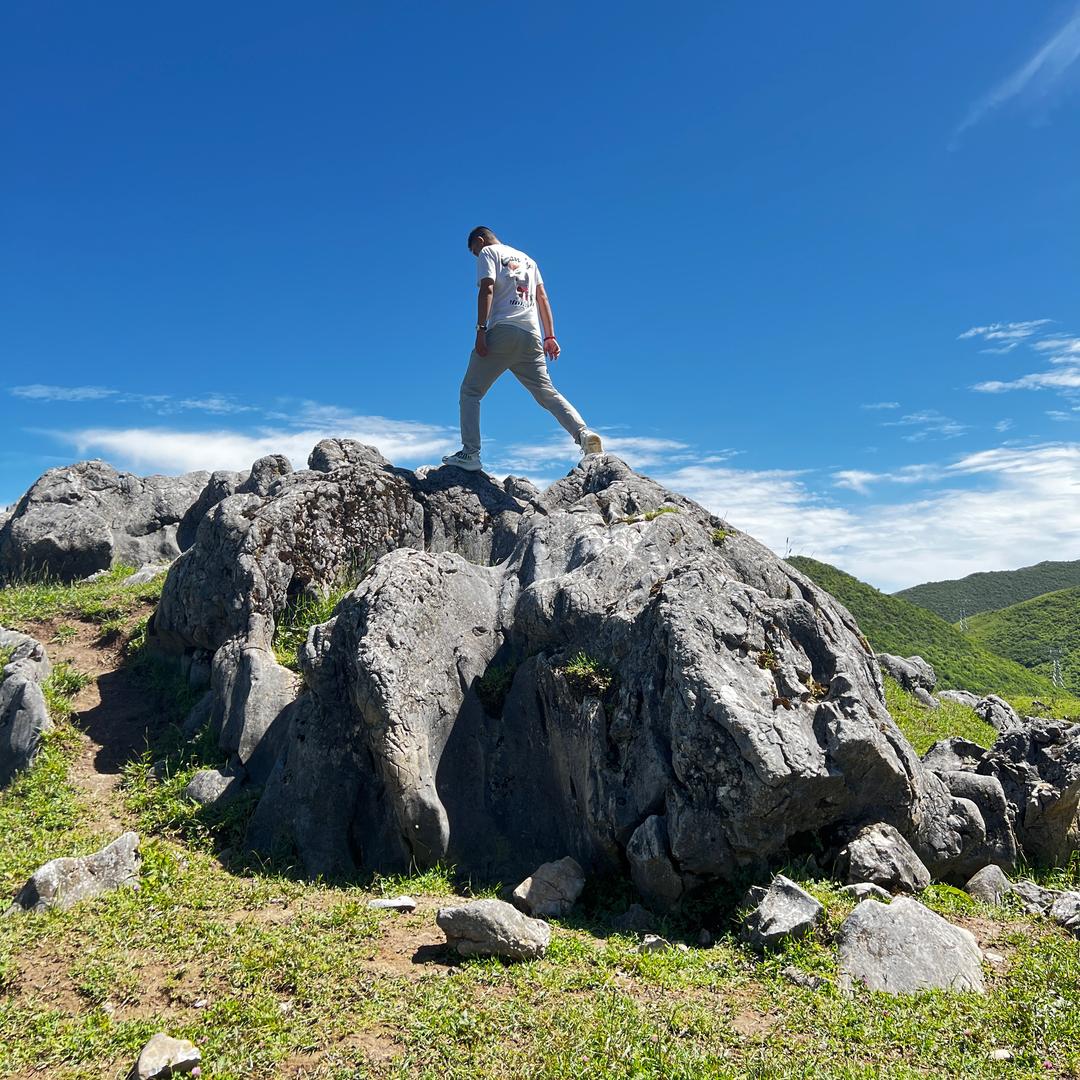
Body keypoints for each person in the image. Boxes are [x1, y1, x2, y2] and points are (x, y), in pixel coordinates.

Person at [442, 226, 602, 472]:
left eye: (475, 251)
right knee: (547, 393)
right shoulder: (529, 260)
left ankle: (470, 453)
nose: (476, 256)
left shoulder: (489, 253)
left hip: (502, 331)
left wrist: (481, 330)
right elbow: (542, 298)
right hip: (531, 337)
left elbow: (487, 288)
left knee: (470, 392)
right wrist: (550, 336)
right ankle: (584, 434)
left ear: (480, 240)